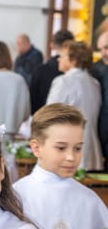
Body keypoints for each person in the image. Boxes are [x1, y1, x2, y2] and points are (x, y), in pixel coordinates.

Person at [47, 40, 103, 171]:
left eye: (62, 56)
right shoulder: (95, 83)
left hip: (67, 148)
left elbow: (49, 116)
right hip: (91, 148)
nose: (58, 59)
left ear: (73, 60)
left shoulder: (63, 81)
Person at [30, 29, 74, 114]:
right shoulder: (85, 74)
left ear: (52, 45)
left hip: (43, 119)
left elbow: (33, 102)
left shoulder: (40, 70)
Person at [91, 30, 108, 172]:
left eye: (107, 47)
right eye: (101, 48)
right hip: (100, 125)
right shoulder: (94, 70)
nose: (103, 52)